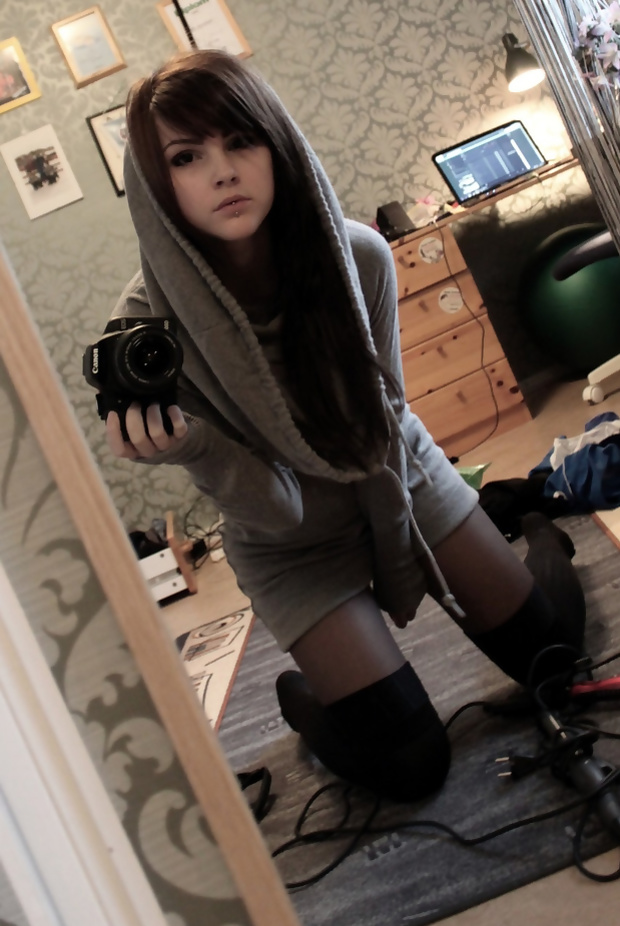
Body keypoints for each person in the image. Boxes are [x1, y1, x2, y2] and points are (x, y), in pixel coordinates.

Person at [103, 50, 586, 803]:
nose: (223, 172)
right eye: (186, 157)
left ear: (277, 143)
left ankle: (541, 535)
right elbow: (272, 510)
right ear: (153, 183)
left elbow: (384, 425)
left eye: (241, 141)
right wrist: (191, 446)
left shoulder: (358, 255)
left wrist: (413, 536)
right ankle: (306, 696)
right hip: (289, 540)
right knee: (410, 765)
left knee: (555, 666)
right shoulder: (149, 332)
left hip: (398, 477)